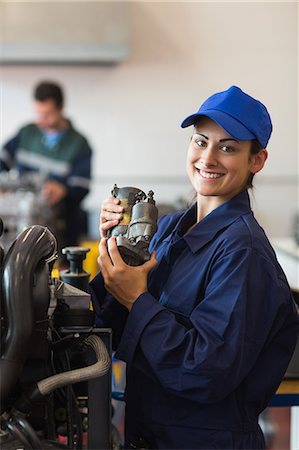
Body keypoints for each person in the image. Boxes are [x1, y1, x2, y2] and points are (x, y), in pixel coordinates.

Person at [90, 86, 299, 449]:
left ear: (257, 160)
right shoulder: (171, 229)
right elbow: (115, 326)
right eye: (201, 142)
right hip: (148, 434)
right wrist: (114, 249)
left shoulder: (244, 254)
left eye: (228, 147)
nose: (209, 157)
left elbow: (204, 371)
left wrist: (138, 299)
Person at [0, 81, 92, 256]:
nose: (41, 120)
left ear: (61, 108)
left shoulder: (79, 144)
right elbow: (2, 160)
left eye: (47, 114)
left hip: (60, 230)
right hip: (19, 222)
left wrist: (63, 190)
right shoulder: (27, 133)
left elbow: (81, 187)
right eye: (38, 113)